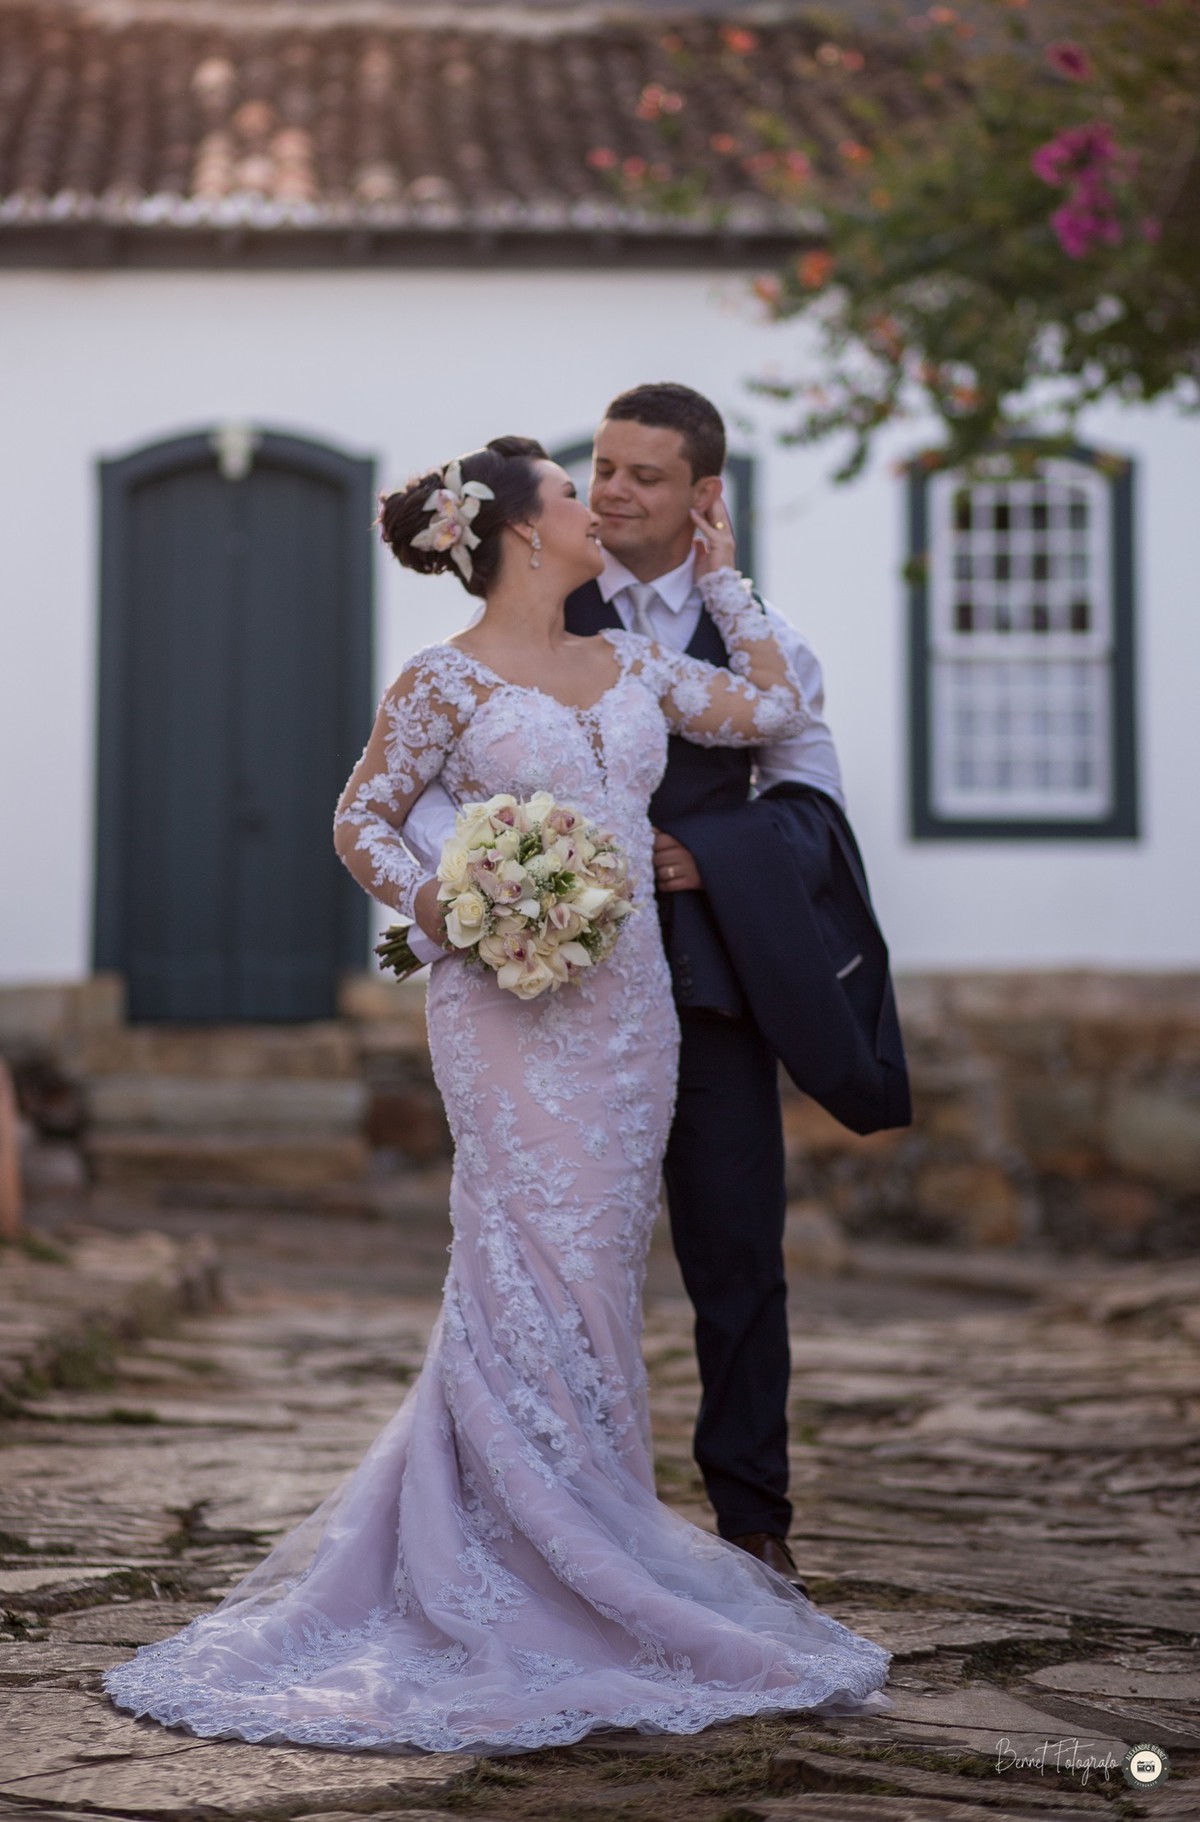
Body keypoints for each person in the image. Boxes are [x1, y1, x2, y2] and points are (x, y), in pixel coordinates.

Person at [102, 433, 891, 1752]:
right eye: (574, 491)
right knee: (524, 1258)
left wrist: (728, 582)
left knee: (599, 1271)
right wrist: (451, 903)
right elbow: (361, 816)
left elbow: (771, 710)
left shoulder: (634, 663)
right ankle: (510, 1555)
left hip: (629, 1015)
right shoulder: (443, 680)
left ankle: (590, 1536)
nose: (595, 504)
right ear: (526, 529)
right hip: (503, 1010)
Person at [401, 385, 910, 1592]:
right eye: (603, 468)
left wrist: (710, 857)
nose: (615, 491)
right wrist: (487, 886)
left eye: (645, 475)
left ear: (703, 495)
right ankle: (549, 1511)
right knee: (561, 1256)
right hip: (550, 996)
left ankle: (753, 1516)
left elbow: (811, 799)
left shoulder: (759, 638)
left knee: (736, 1248)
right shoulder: (533, 604)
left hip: (713, 981)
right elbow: (429, 784)